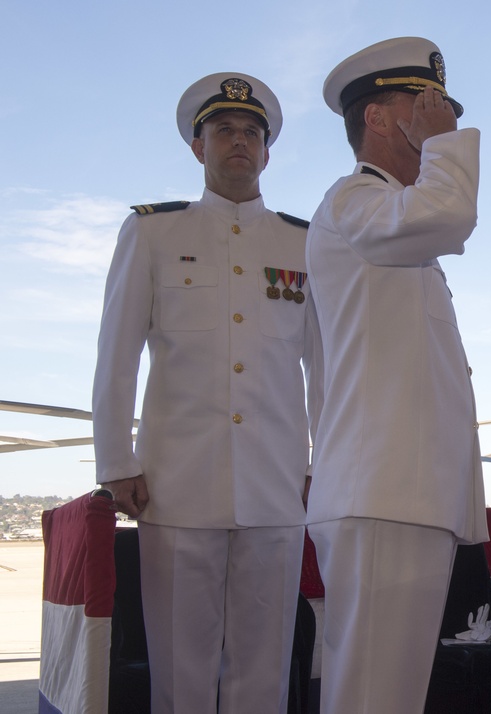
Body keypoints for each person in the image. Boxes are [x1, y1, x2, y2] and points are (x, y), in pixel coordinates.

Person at [92, 72, 321, 714]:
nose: (239, 141)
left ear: (268, 153)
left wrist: (321, 464)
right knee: (179, 671)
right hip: (177, 484)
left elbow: (323, 365)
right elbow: (117, 354)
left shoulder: (304, 243)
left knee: (264, 669)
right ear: (199, 147)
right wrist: (116, 461)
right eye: (224, 131)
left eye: (251, 132)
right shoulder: (153, 233)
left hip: (277, 485)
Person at [304, 37, 489, 713]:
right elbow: (449, 214)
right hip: (380, 494)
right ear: (378, 119)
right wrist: (447, 146)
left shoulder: (394, 223)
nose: (442, 116)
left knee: (392, 696)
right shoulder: (355, 200)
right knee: (373, 698)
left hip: (405, 496)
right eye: (425, 104)